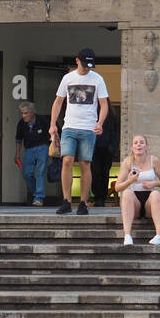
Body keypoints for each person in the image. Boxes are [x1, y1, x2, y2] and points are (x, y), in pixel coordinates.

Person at [49, 48, 109, 215]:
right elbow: (58, 101)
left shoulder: (98, 79)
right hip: (69, 125)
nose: (87, 68)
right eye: (84, 64)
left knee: (85, 163)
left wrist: (100, 123)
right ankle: (66, 200)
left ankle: (83, 201)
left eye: (90, 65)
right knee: (67, 160)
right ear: (77, 61)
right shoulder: (68, 78)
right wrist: (53, 124)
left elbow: (104, 104)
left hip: (88, 127)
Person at [115, 133, 160, 245]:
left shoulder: (154, 160)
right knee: (127, 192)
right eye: (136, 143)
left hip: (150, 201)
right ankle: (127, 235)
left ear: (146, 146)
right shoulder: (127, 162)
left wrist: (153, 183)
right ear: (132, 147)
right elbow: (117, 187)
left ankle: (159, 235)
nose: (139, 145)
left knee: (156, 194)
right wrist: (130, 181)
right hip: (135, 203)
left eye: (141, 142)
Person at [14, 101, 51, 206]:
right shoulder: (21, 123)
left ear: (32, 113)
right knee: (27, 173)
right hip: (29, 149)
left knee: (40, 172)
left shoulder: (42, 120)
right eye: (22, 113)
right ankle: (37, 193)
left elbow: (51, 133)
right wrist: (17, 154)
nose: (23, 116)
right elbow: (18, 139)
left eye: (25, 113)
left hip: (42, 148)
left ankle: (39, 197)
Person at [88, 96, 122, 207]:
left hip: (107, 149)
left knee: (104, 173)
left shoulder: (113, 117)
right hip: (95, 149)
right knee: (95, 172)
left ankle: (102, 197)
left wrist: (113, 148)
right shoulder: (92, 115)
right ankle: (97, 196)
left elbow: (116, 134)